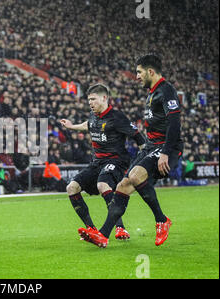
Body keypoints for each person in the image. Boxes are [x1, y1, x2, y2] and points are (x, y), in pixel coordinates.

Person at [78, 54, 183, 248]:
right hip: (152, 147)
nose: (136, 76)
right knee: (123, 186)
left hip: (165, 147)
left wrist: (166, 152)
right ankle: (103, 235)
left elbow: (174, 122)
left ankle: (161, 220)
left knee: (135, 176)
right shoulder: (152, 93)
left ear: (150, 71)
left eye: (139, 72)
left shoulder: (166, 90)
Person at [60, 83, 146, 241]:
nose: (90, 103)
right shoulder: (93, 115)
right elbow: (89, 125)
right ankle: (91, 229)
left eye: (93, 99)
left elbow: (138, 137)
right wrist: (72, 127)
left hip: (116, 160)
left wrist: (144, 161)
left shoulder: (117, 117)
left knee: (102, 185)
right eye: (89, 100)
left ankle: (120, 228)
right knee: (71, 187)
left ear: (104, 98)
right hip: (97, 161)